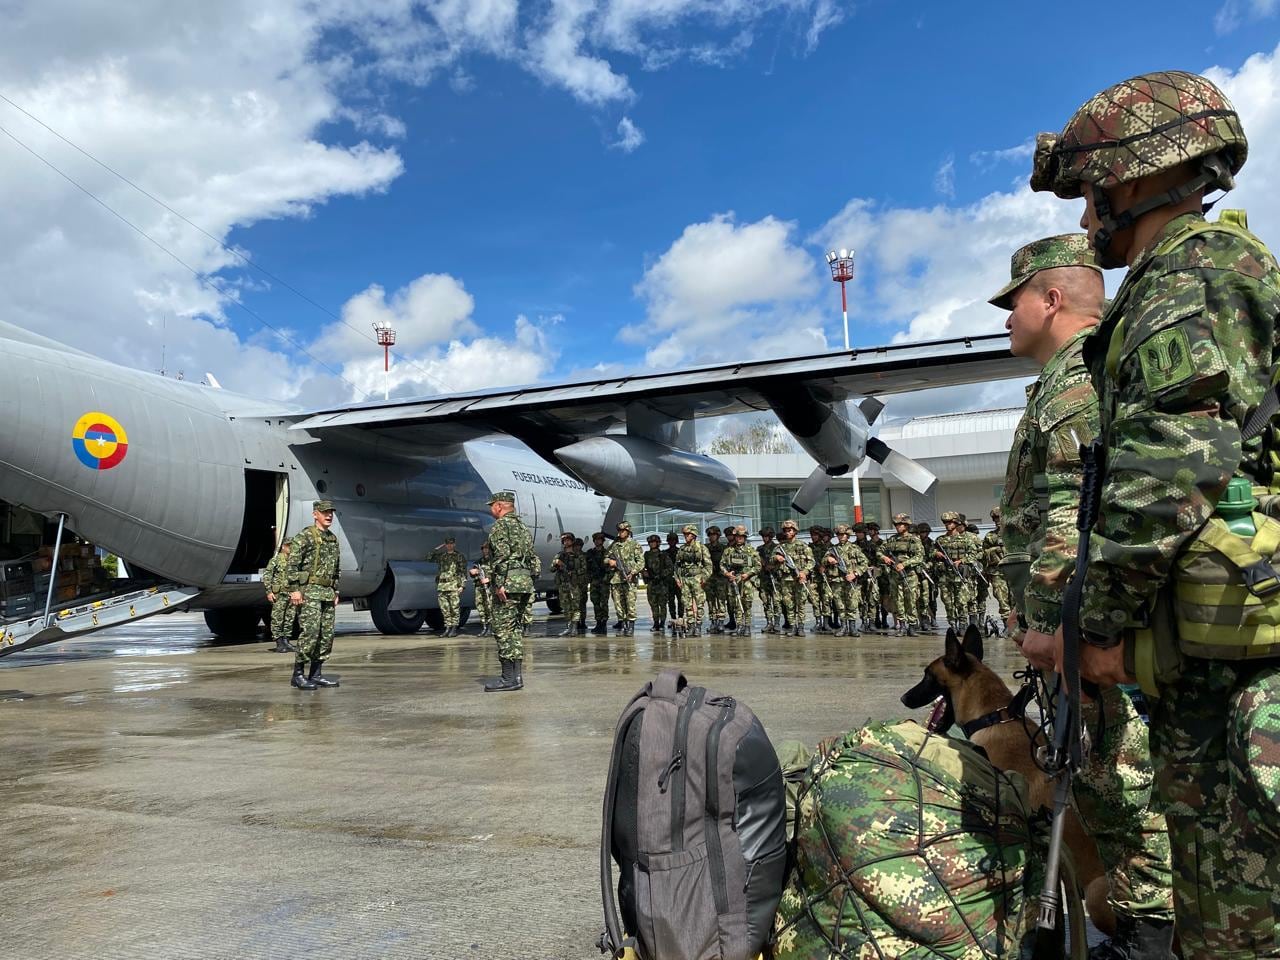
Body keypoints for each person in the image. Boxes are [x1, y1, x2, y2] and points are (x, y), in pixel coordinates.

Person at [1031, 70, 1280, 958]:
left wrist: (1086, 628)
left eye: (1092, 186)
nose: (1088, 211)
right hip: (1216, 663)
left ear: (1134, 174)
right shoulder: (1201, 270)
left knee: (1238, 925)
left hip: (1241, 683)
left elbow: (1171, 466)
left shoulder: (1193, 271)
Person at [992, 232, 1175, 957]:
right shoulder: (1067, 383)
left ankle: (1150, 936)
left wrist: (1057, 632)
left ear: (1052, 299)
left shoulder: (1074, 390)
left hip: (1080, 639)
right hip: (1074, 634)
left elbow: (1071, 517)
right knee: (1110, 785)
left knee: (1123, 789)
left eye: (1015, 302)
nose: (1007, 316)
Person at [285, 499, 341, 690]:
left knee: (326, 635)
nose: (329, 515)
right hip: (309, 593)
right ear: (315, 514)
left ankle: (316, 674)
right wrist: (294, 590)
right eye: (325, 512)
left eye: (331, 512)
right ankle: (298, 674)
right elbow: (291, 565)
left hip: (327, 593)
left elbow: (336, 568)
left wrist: (336, 591)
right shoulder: (305, 537)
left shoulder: (332, 539)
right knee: (310, 633)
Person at [483, 491, 533, 691]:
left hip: (508, 584)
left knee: (503, 630)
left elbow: (501, 556)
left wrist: (500, 584)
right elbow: (531, 557)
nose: (490, 509)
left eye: (492, 505)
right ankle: (517, 678)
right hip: (524, 582)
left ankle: (508, 678)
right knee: (514, 630)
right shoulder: (522, 527)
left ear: (500, 506)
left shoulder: (500, 526)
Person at [876, 513, 922, 636]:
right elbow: (879, 551)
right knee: (898, 600)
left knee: (911, 600)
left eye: (900, 524)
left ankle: (912, 626)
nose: (897, 526)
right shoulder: (891, 540)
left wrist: (905, 563)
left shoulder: (914, 540)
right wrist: (884, 558)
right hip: (895, 576)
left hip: (909, 575)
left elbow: (919, 557)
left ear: (906, 525)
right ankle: (901, 625)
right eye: (896, 524)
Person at [934, 512, 977, 630]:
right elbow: (929, 552)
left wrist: (961, 561)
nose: (947, 525)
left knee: (961, 602)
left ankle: (962, 624)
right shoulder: (940, 540)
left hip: (960, 575)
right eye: (945, 523)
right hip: (945, 576)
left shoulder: (966, 539)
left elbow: (973, 555)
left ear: (956, 523)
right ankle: (952, 623)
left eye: (950, 523)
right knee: (947, 602)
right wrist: (935, 553)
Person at [774, 519, 812, 637]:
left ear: (795, 531)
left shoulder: (803, 546)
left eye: (790, 530)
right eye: (785, 531)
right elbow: (771, 559)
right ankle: (792, 626)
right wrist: (776, 558)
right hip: (786, 579)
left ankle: (800, 627)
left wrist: (804, 572)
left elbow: (811, 561)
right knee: (789, 604)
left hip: (799, 579)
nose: (787, 533)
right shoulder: (781, 547)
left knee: (800, 604)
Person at [606, 521, 644, 636]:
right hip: (616, 579)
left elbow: (641, 562)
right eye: (619, 531)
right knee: (618, 604)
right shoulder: (614, 545)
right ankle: (623, 625)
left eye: (623, 531)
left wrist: (633, 572)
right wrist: (610, 561)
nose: (620, 533)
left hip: (629, 579)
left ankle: (631, 626)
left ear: (628, 531)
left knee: (630, 603)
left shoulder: (634, 545)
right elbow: (605, 557)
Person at [720, 525, 760, 636]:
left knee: (746, 605)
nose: (739, 538)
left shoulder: (751, 551)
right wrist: (727, 573)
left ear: (745, 537)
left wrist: (748, 574)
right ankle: (739, 626)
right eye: (737, 536)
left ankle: (747, 626)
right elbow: (722, 565)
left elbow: (758, 566)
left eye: (742, 536)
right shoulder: (728, 551)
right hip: (734, 581)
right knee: (736, 605)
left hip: (746, 581)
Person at [425, 536, 467, 637]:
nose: (450, 545)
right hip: (442, 585)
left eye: (451, 543)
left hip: (453, 585)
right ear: (445, 545)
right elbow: (428, 557)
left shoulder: (459, 556)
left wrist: (462, 585)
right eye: (447, 544)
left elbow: (463, 572)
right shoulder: (442, 556)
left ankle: (454, 628)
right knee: (445, 608)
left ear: (454, 544)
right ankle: (447, 627)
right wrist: (438, 548)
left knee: (454, 608)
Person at [674, 524, 711, 637]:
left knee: (699, 604)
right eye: (685, 534)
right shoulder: (682, 549)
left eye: (688, 534)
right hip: (685, 579)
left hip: (697, 578)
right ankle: (691, 626)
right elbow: (677, 566)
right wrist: (677, 579)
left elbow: (708, 565)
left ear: (694, 535)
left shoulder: (701, 548)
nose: (686, 536)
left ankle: (698, 625)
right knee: (687, 604)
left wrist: (704, 578)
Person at [262, 541, 297, 654]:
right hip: (279, 594)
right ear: (283, 547)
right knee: (277, 618)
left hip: (291, 594)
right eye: (289, 546)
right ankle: (279, 642)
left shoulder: (293, 562)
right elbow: (267, 575)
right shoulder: (276, 560)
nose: (290, 548)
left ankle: (286, 640)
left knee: (289, 618)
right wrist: (269, 591)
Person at [552, 533, 587, 637]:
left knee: (575, 606)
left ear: (572, 541)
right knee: (565, 606)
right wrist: (556, 563)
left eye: (568, 540)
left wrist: (574, 572)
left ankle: (575, 627)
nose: (566, 542)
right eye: (564, 540)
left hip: (574, 584)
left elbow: (584, 569)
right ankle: (568, 627)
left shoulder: (578, 555)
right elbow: (551, 569)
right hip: (563, 585)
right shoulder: (559, 555)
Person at [982, 508, 1012, 628]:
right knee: (1001, 599)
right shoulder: (990, 536)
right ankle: (1007, 625)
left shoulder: (1014, 533)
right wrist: (994, 551)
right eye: (994, 518)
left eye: (999, 517)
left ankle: (1019, 625)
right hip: (997, 572)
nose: (997, 520)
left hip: (1014, 570)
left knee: (1016, 599)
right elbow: (983, 554)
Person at [643, 534, 673, 634]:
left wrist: (661, 575)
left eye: (654, 542)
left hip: (662, 583)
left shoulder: (663, 555)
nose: (652, 544)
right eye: (650, 542)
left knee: (662, 605)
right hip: (652, 583)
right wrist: (645, 573)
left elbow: (670, 568)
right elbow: (642, 567)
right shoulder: (646, 555)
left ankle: (662, 623)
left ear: (658, 543)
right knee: (653, 605)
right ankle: (656, 623)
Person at [584, 532, 611, 635]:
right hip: (594, 581)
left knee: (603, 603)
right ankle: (598, 622)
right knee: (595, 602)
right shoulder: (590, 553)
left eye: (599, 540)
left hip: (604, 581)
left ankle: (603, 623)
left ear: (603, 541)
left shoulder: (607, 553)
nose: (597, 541)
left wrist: (607, 578)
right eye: (596, 540)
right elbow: (586, 567)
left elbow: (611, 568)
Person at [755, 526, 781, 633]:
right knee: (766, 602)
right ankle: (769, 622)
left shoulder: (777, 548)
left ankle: (777, 623)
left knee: (776, 602)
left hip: (775, 578)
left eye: (767, 536)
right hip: (763, 579)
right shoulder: (759, 549)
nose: (764, 538)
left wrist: (772, 566)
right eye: (763, 536)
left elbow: (781, 562)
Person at [704, 525, 728, 633]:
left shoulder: (723, 548)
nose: (711, 537)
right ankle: (713, 621)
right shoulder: (705, 548)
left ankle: (721, 621)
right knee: (710, 601)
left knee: (721, 600)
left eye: (713, 535)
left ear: (718, 536)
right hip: (709, 578)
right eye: (710, 535)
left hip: (720, 578)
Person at [468, 542, 493, 637]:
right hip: (479, 587)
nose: (485, 550)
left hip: (489, 587)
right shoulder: (479, 562)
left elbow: (499, 573)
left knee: (489, 607)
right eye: (483, 548)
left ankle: (491, 627)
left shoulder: (493, 562)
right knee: (480, 607)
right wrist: (473, 572)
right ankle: (484, 627)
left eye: (487, 548)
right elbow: (474, 572)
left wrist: (489, 579)